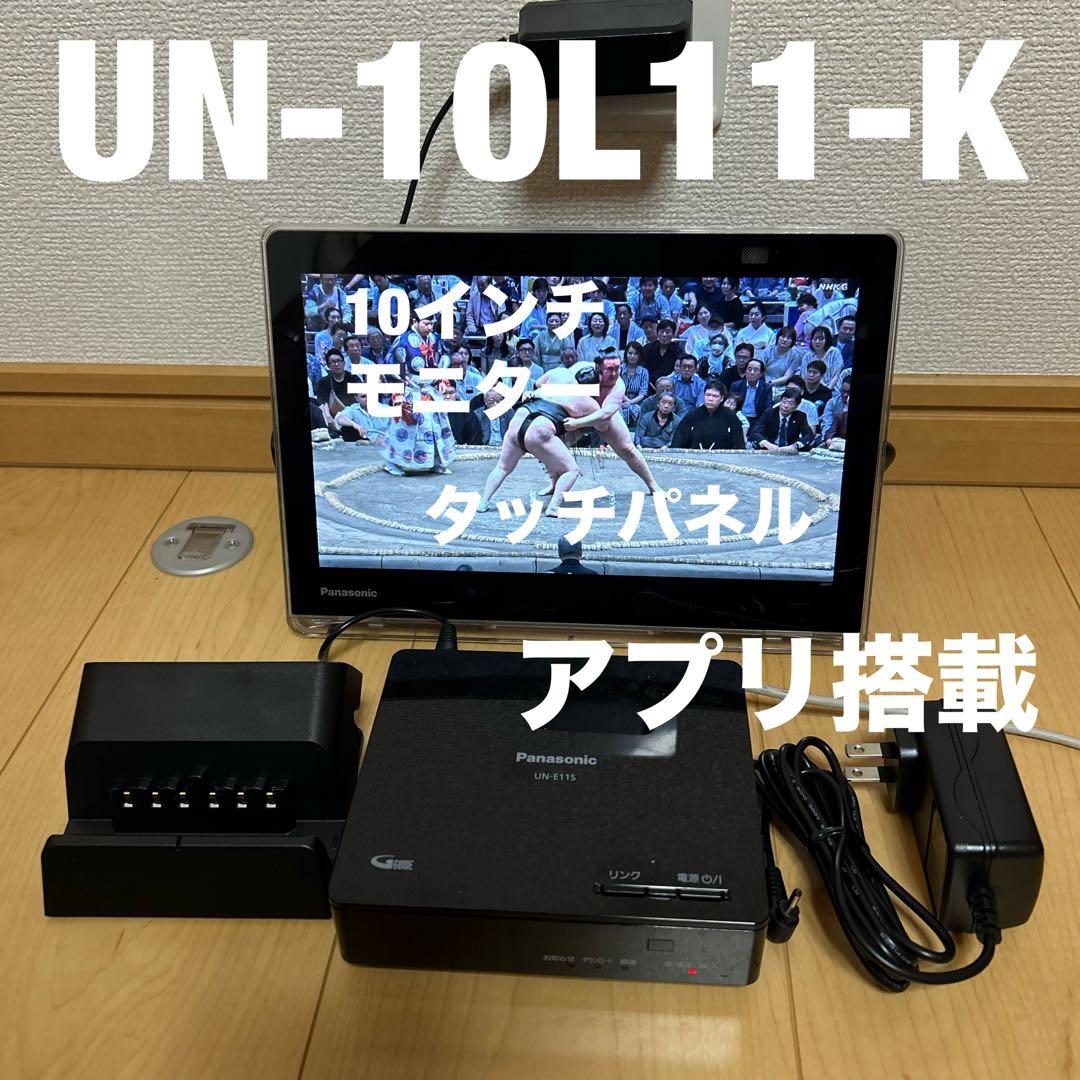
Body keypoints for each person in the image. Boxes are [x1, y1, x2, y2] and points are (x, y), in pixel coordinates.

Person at [671, 381, 745, 450]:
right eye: (708, 395)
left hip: (723, 456)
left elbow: (739, 444)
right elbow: (678, 440)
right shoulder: (693, 414)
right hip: (696, 456)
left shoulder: (730, 416)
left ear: (722, 398)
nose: (710, 399)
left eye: (715, 396)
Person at [750, 387, 815, 451]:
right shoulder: (769, 413)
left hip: (789, 450)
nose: (786, 406)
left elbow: (809, 435)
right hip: (770, 448)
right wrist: (766, 443)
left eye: (790, 403)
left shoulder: (800, 416)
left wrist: (795, 445)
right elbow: (756, 432)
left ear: (796, 406)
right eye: (784, 402)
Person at [642, 318, 687, 386]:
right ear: (657, 333)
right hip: (649, 384)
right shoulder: (648, 348)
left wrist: (679, 360)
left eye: (668, 332)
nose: (664, 335)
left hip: (670, 385)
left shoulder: (677, 350)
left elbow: (682, 359)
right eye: (661, 332)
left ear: (673, 334)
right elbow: (641, 365)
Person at [440, 379, 485, 445]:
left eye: (451, 393)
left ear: (456, 393)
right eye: (444, 393)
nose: (448, 397)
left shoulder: (465, 410)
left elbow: (475, 437)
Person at [729, 358, 771, 427]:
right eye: (749, 369)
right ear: (745, 371)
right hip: (738, 417)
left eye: (756, 370)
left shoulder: (766, 387)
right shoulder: (736, 385)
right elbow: (730, 405)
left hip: (757, 420)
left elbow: (767, 408)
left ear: (761, 374)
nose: (751, 373)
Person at [619, 340, 650, 425]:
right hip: (619, 399)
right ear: (626, 354)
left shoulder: (644, 372)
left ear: (640, 355)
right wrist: (627, 402)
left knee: (634, 411)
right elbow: (617, 390)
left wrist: (631, 403)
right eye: (630, 353)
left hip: (637, 402)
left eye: (636, 354)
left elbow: (642, 394)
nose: (632, 356)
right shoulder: (619, 369)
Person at [821, 377, 851, 448]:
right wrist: (827, 440)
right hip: (837, 441)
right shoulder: (832, 403)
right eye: (843, 391)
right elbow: (827, 425)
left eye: (849, 392)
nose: (845, 395)